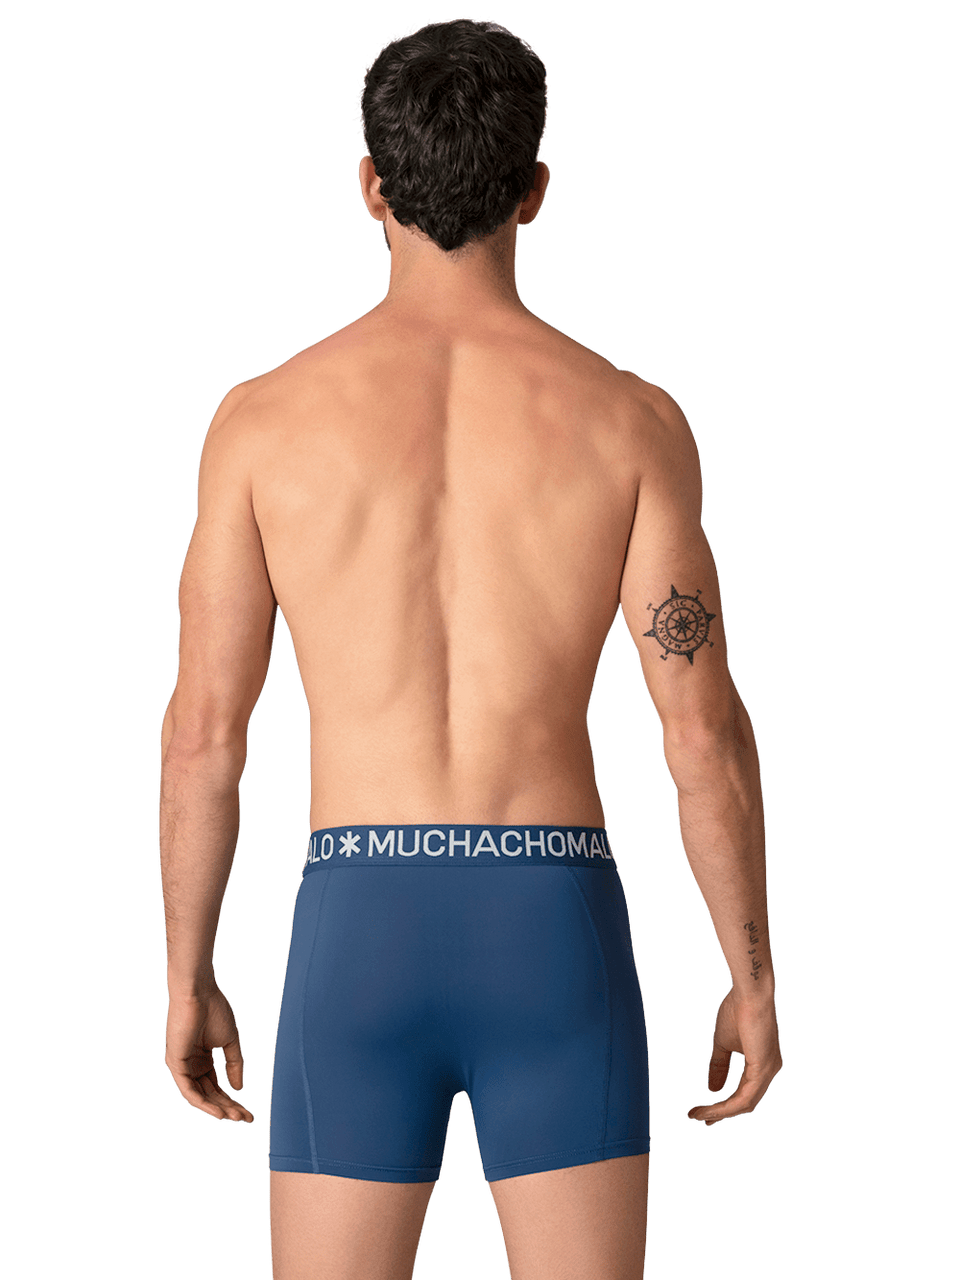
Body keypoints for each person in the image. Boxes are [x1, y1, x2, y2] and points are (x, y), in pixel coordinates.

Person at [157, 16, 783, 1279]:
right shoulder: (629, 421)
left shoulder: (261, 423)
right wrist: (752, 970)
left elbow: (207, 735)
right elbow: (700, 731)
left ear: (371, 185)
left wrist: (187, 970)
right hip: (551, 920)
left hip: (358, 920)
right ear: (535, 189)